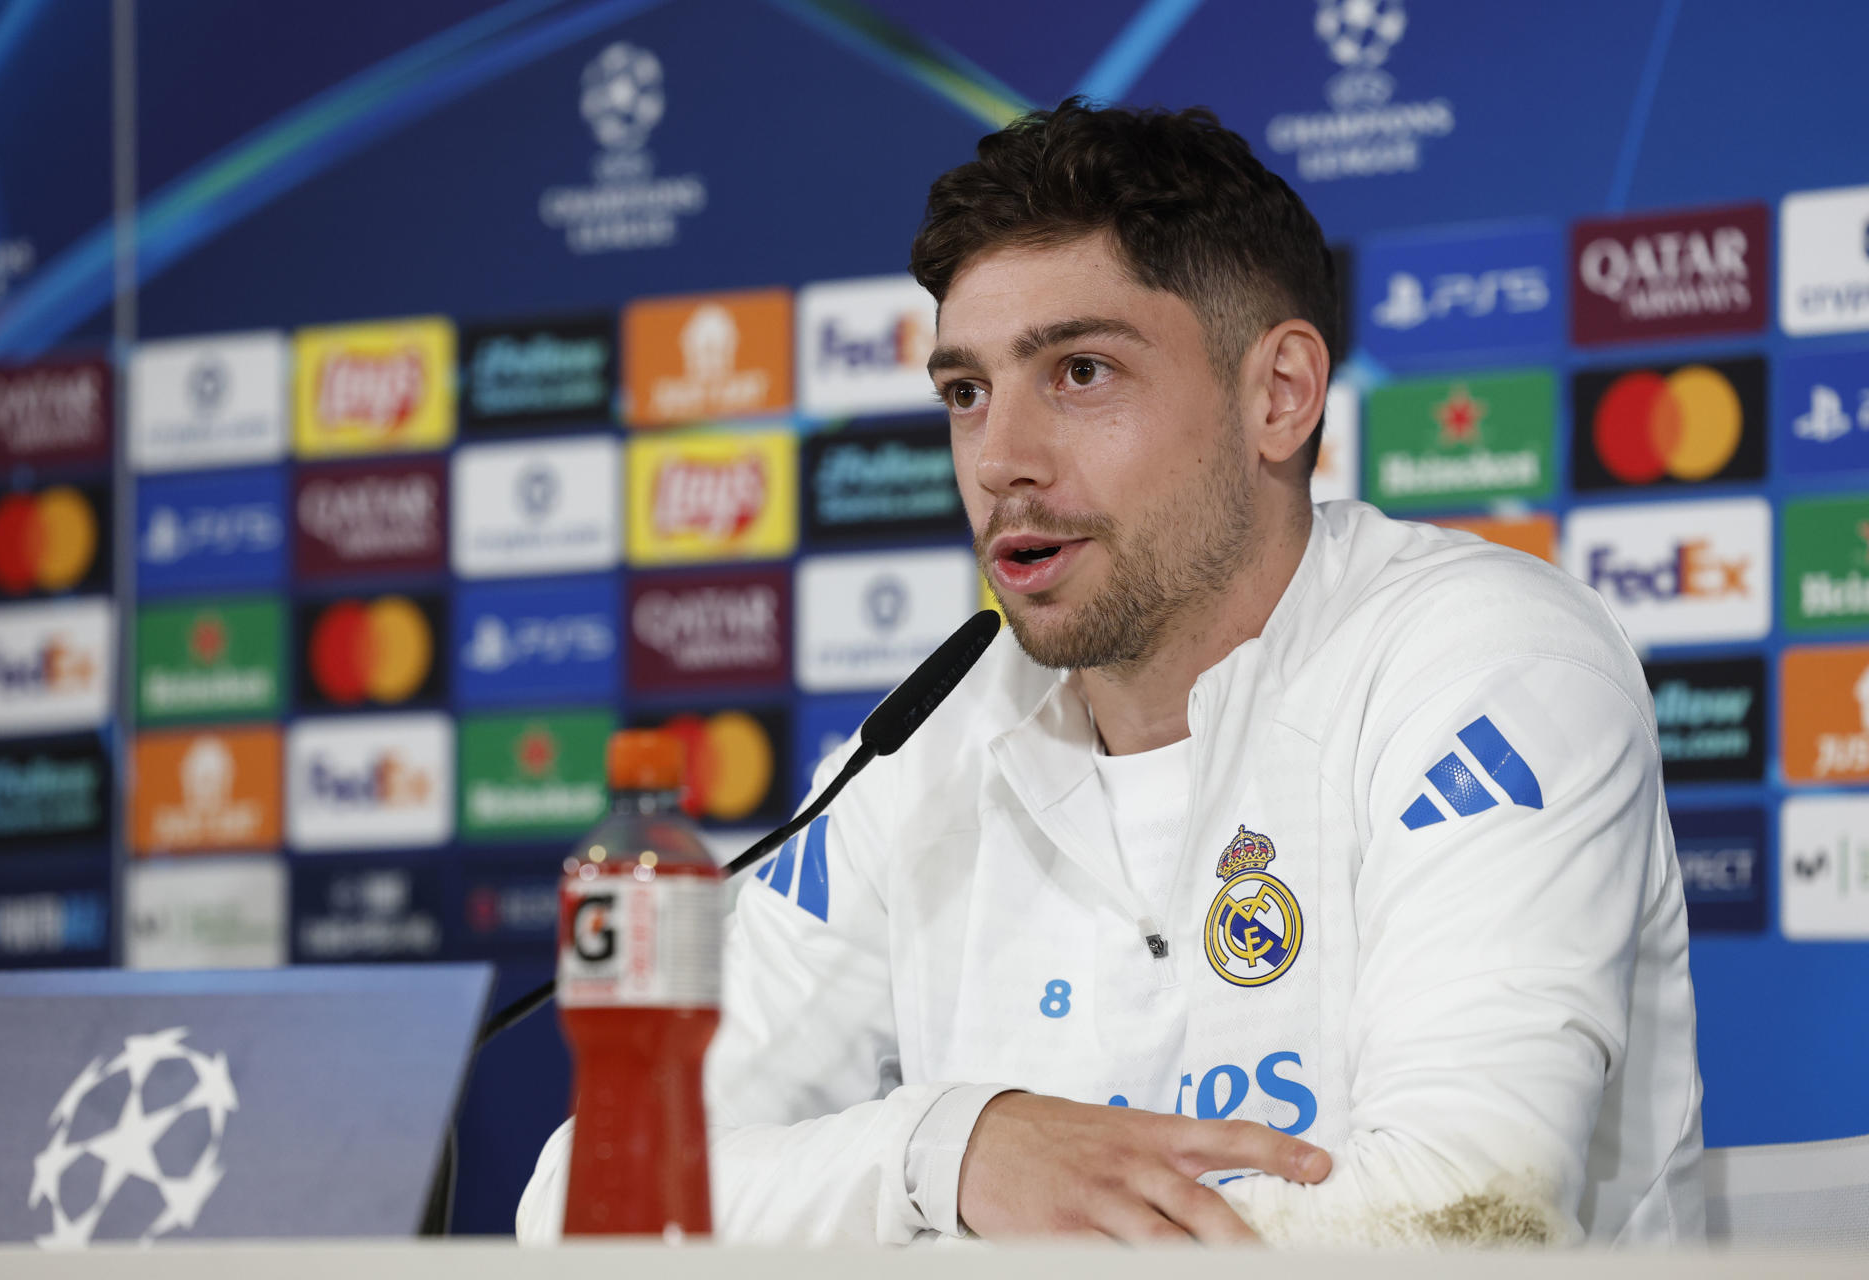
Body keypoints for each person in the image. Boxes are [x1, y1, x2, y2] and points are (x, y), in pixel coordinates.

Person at [520, 98, 1703, 1247]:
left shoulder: (1487, 665)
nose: (1001, 460)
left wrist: (957, 1210)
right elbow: (592, 1192)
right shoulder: (925, 745)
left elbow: (1456, 1217)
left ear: (1279, 395)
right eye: (966, 392)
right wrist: (953, 1148)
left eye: (1080, 373)